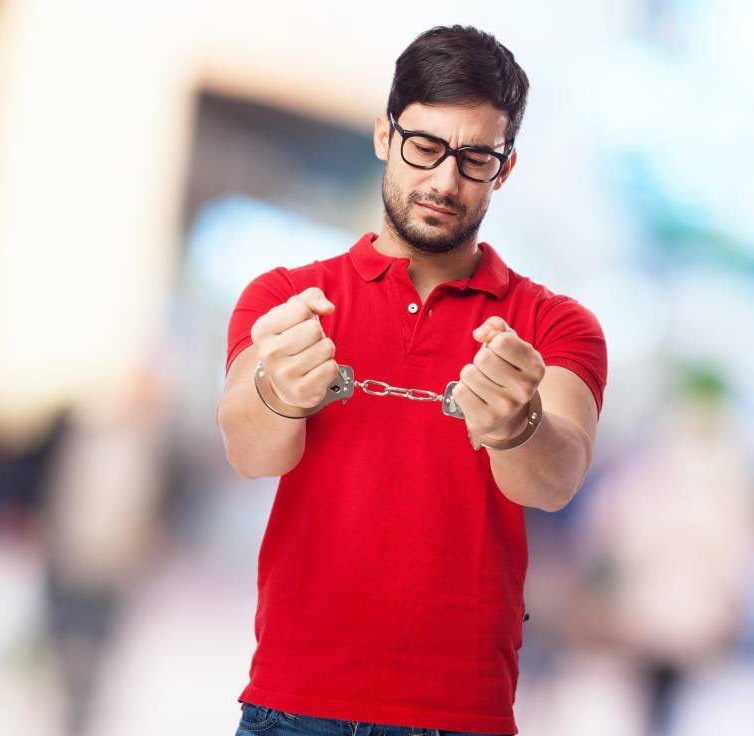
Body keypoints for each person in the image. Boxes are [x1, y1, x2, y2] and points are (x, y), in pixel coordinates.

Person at [216, 24, 607, 736]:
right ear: (383, 136)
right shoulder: (288, 299)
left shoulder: (553, 326)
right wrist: (279, 393)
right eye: (424, 147)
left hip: (460, 717)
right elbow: (249, 450)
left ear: (505, 169)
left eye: (475, 159)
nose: (443, 181)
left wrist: (516, 424)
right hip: (292, 704)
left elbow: (555, 479)